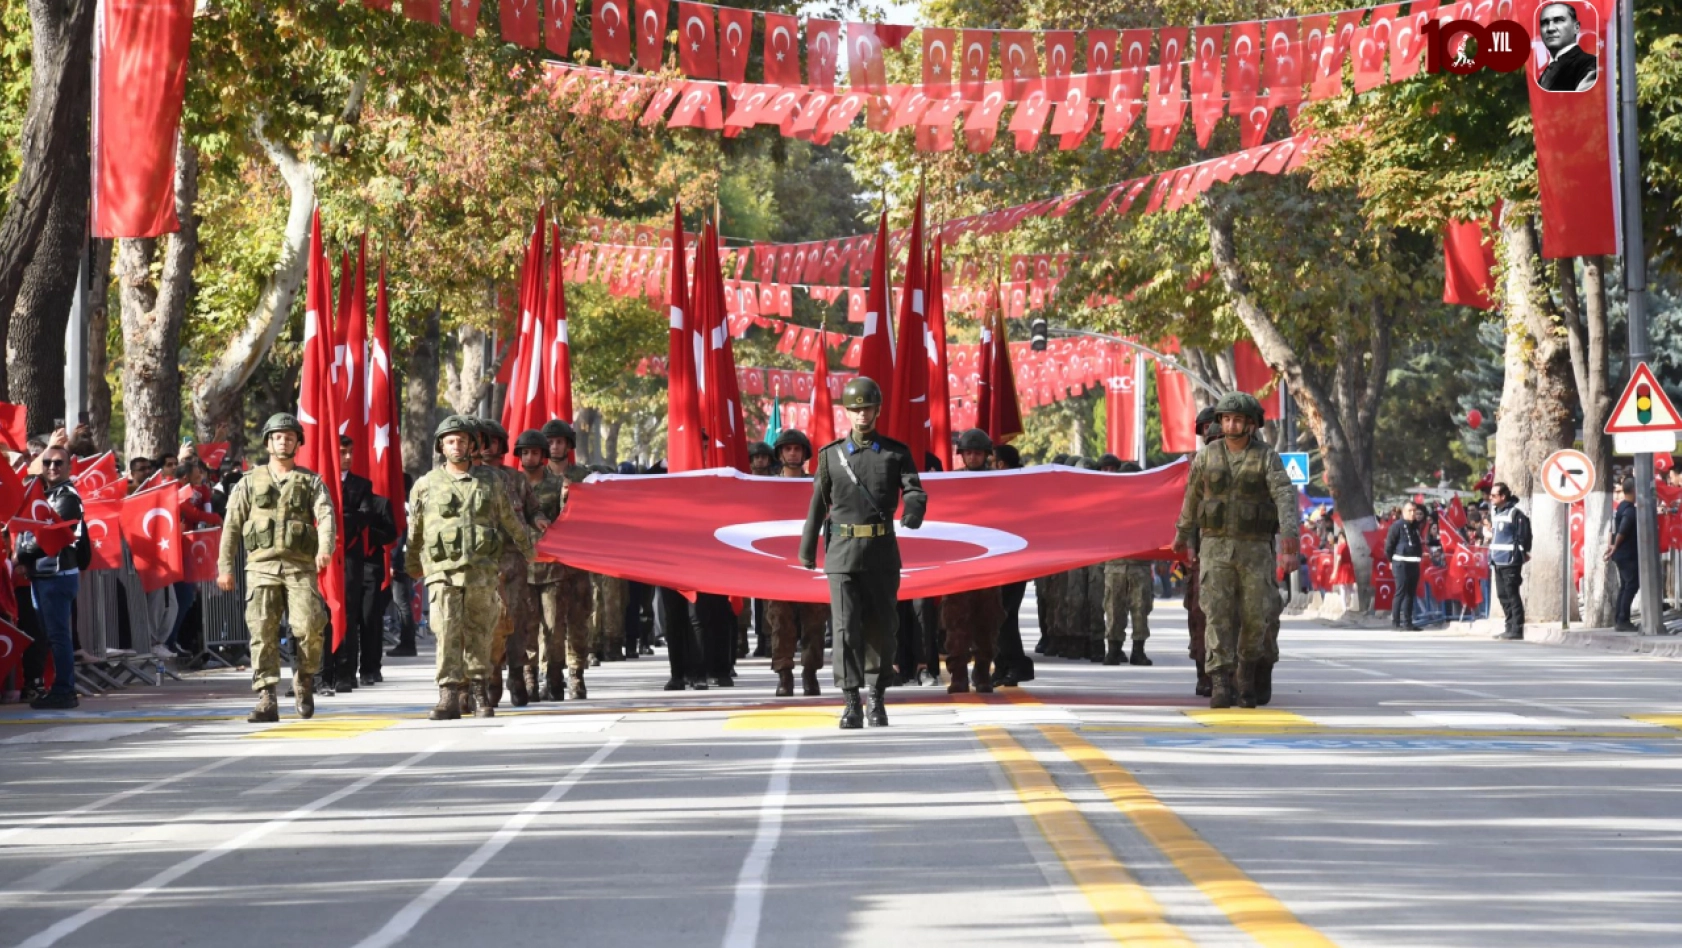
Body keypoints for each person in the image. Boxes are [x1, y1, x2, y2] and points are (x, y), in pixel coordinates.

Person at [799, 377, 927, 729]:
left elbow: (914, 490)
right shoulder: (830, 457)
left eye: (866, 408)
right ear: (847, 413)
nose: (861, 415)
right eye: (855, 410)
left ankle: (878, 698)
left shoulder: (895, 453)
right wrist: (807, 550)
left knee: (882, 628)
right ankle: (851, 700)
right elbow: (816, 507)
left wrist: (913, 511)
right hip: (841, 556)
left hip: (882, 553)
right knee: (844, 630)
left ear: (877, 410)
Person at [1171, 392, 1298, 709]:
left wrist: (1290, 539)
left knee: (1257, 616)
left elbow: (1284, 494)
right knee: (1216, 615)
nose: (1231, 424)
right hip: (1215, 548)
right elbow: (1192, 497)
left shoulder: (1267, 457)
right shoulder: (1207, 456)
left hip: (1254, 551)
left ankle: (1247, 675)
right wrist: (1182, 535)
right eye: (1226, 419)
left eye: (1238, 419)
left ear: (1252, 424)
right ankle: (1219, 680)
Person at [406, 414, 534, 720]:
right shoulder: (426, 484)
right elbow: (416, 529)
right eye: (450, 441)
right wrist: (411, 563)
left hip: (481, 570)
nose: (456, 445)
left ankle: (479, 691)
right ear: (441, 446)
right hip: (442, 572)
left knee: (481, 632)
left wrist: (528, 548)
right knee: (447, 630)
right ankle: (449, 694)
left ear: (472, 444)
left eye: (462, 440)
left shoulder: (492, 481)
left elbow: (509, 519)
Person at [217, 414, 337, 723]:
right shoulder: (249, 482)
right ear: (269, 442)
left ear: (298, 442)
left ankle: (305, 678)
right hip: (261, 566)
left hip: (300, 567)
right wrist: (224, 567)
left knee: (311, 625)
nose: (284, 441)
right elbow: (231, 526)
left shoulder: (311, 481)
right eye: (278, 436)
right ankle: (266, 696)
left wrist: (325, 548)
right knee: (262, 630)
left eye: (290, 436)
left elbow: (325, 517)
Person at [18, 445, 89, 710]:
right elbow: (23, 525)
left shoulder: (67, 496)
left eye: (58, 463)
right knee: (51, 634)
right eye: (47, 462)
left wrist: (23, 554)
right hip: (44, 574)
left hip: (57, 574)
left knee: (58, 636)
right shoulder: (41, 493)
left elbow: (51, 534)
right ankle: (59, 687)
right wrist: (24, 556)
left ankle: (64, 690)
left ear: (69, 467)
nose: (52, 467)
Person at [943, 428, 1005, 693]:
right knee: (955, 625)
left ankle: (982, 674)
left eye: (977, 453)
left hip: (990, 567)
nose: (972, 457)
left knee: (987, 625)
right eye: (967, 453)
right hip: (959, 566)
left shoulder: (1001, 482)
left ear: (986, 455)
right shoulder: (950, 483)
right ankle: (958, 675)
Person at [766, 429, 828, 696]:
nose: (793, 453)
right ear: (780, 453)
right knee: (780, 622)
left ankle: (810, 673)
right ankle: (784, 675)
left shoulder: (818, 485)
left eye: (797, 449)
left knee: (815, 623)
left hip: (811, 565)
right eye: (788, 449)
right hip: (778, 567)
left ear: (804, 454)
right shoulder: (766, 487)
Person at [335, 436, 398, 690]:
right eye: (343, 452)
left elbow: (390, 532)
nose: (348, 457)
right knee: (347, 616)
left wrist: (370, 537)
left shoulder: (380, 503)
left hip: (370, 565)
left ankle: (370, 667)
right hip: (344, 563)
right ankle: (342, 668)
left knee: (369, 618)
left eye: (351, 453)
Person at [1100, 457, 1155, 666]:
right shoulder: (1110, 503)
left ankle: (1138, 650)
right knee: (1113, 608)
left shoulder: (1147, 505)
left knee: (1140, 609)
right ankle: (1113, 649)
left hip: (1139, 564)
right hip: (1115, 564)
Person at [990, 443, 1033, 687]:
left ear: (1001, 464)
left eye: (993, 461)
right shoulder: (1014, 485)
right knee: (999, 616)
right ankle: (1004, 666)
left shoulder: (1015, 487)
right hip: (1001, 562)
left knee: (1005, 616)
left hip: (1013, 563)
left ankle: (1016, 666)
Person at [1488, 481, 1533, 641]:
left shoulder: (1515, 514)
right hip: (1497, 560)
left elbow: (1525, 535)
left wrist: (1522, 553)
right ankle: (1508, 627)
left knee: (1512, 594)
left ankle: (1517, 628)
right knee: (1502, 595)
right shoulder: (1496, 513)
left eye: (1494, 495)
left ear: (1503, 496)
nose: (1490, 498)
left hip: (1510, 561)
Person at [1604, 477, 1640, 632]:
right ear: (1634, 490)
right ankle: (1622, 620)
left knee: (1625, 586)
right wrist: (1615, 546)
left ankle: (1620, 618)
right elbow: (1623, 529)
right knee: (1631, 585)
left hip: (1621, 553)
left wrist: (1611, 546)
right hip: (1627, 554)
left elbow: (1612, 528)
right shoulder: (1629, 510)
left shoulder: (1620, 507)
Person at [1537, 2, 1598, 92]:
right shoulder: (1546, 70)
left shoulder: (1589, 64)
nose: (1550, 28)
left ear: (1576, 27)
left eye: (1558, 20)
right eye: (1544, 23)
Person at [1385, 501, 1425, 631]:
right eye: (1410, 511)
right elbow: (1389, 547)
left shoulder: (1415, 527)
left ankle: (1408, 623)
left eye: (1414, 511)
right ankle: (1396, 623)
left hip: (1414, 563)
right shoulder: (1397, 526)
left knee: (1410, 593)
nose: (1413, 513)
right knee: (1400, 592)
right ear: (1403, 512)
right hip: (1401, 563)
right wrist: (1392, 561)